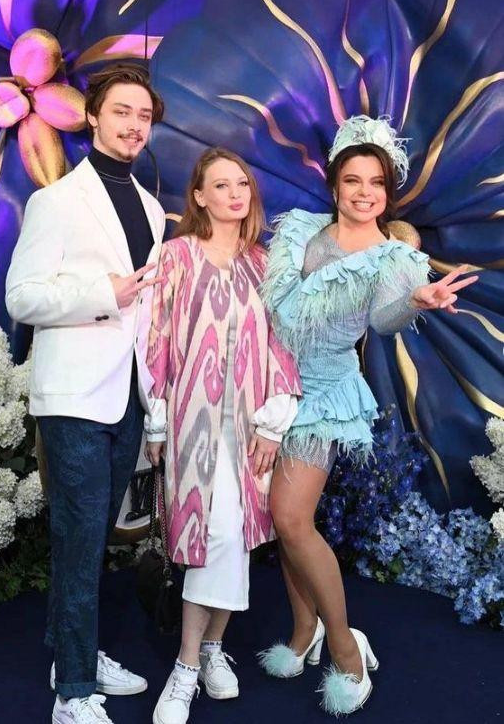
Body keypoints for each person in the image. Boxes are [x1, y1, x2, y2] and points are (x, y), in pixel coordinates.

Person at [258, 116, 477, 716]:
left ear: (388, 190)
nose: (364, 192)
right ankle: (304, 632)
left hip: (322, 395)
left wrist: (416, 299)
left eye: (376, 182)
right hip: (268, 389)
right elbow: (270, 310)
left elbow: (382, 321)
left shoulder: (393, 257)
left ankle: (345, 648)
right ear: (334, 184)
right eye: (353, 180)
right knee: (282, 522)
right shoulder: (301, 231)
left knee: (291, 517)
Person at [5, 64, 166, 724]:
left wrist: (155, 405)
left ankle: (71, 652)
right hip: (72, 398)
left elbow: (148, 315)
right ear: (94, 116)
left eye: (144, 116)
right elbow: (22, 297)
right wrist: (105, 293)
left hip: (125, 398)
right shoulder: (56, 201)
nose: (134, 125)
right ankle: (72, 691)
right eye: (122, 111)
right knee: (78, 536)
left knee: (93, 538)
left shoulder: (151, 207)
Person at [144, 147, 301, 724]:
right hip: (192, 423)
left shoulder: (264, 264)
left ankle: (204, 654)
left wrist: (274, 422)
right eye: (221, 185)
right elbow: (155, 339)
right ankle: (191, 663)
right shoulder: (176, 256)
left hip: (249, 429)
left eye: (242, 184)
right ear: (199, 196)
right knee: (211, 534)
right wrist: (156, 418)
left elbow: (283, 344)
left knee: (232, 535)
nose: (235, 194)